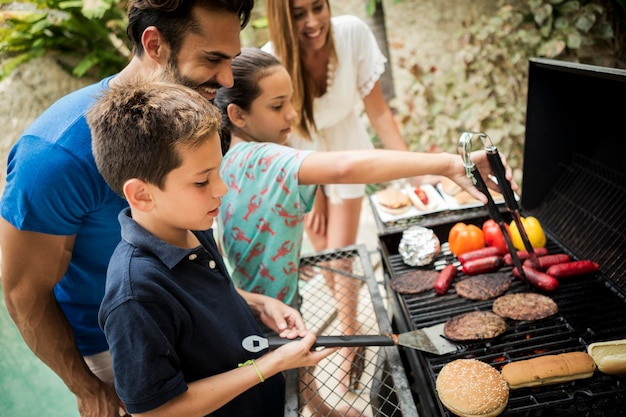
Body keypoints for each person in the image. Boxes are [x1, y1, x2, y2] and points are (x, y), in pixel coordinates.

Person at [0, 1, 254, 415]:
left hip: (189, 316)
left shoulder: (193, 114)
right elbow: (22, 291)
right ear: (155, 44)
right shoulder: (54, 157)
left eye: (232, 60)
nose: (226, 78)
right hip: (122, 346)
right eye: (212, 59)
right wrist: (86, 387)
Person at [214, 47, 518, 391]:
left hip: (255, 294)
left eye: (291, 102)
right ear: (237, 115)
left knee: (294, 357)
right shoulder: (262, 157)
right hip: (264, 307)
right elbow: (345, 167)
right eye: (277, 106)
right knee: (285, 367)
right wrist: (448, 165)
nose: (292, 114)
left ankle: (321, 407)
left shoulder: (228, 156)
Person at [85, 77, 335, 417]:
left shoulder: (190, 223)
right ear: (142, 194)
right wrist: (270, 365)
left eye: (218, 172)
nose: (221, 189)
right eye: (202, 181)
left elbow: (201, 302)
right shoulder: (136, 295)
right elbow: (153, 411)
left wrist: (260, 305)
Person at [262, 0, 417, 387]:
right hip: (301, 159)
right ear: (283, 17)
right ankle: (354, 328)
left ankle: (350, 341)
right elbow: (274, 135)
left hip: (347, 147)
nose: (313, 21)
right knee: (327, 253)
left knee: (340, 252)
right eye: (299, 13)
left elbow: (378, 111)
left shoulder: (352, 34)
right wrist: (306, 195)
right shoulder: (270, 60)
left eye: (318, 7)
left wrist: (411, 170)